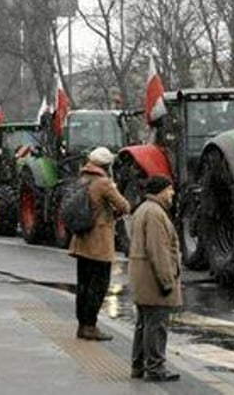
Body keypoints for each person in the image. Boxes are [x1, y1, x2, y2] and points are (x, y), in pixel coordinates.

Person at [68, 146, 131, 341]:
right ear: (106, 165)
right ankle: (90, 327)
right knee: (99, 285)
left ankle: (82, 324)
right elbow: (124, 205)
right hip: (98, 243)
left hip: (81, 241)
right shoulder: (103, 183)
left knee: (84, 285)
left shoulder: (82, 179)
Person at [129, 174, 182, 382]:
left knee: (144, 324)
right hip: (153, 280)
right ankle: (155, 368)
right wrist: (167, 281)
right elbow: (158, 251)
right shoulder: (155, 213)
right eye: (170, 190)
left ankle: (138, 365)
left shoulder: (144, 209)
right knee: (156, 325)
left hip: (143, 278)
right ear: (161, 190)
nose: (173, 194)